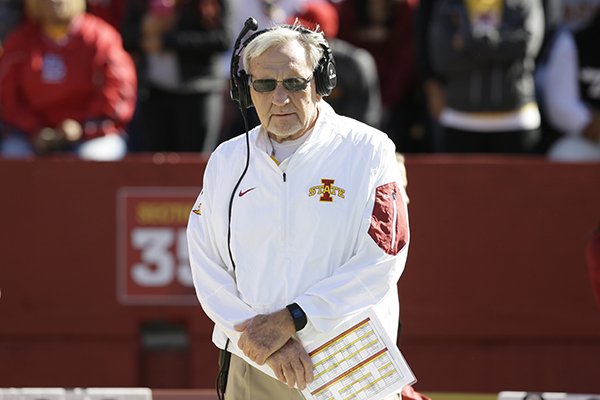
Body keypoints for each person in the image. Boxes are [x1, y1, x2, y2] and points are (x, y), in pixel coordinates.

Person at [187, 20, 410, 399]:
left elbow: (382, 260)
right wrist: (266, 341)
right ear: (246, 90)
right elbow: (207, 266)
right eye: (264, 84)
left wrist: (294, 319)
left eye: (294, 82)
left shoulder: (371, 150)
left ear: (320, 83)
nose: (280, 98)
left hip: (347, 366)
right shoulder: (226, 160)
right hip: (255, 362)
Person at [0, 0, 137, 160]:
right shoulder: (20, 42)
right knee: (13, 156)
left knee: (93, 159)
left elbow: (118, 93)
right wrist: (33, 129)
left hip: (91, 133)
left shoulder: (101, 38)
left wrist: (81, 127)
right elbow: (6, 97)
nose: (56, 1)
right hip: (31, 135)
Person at [427, 0, 545, 153]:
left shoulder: (525, 3)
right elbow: (443, 59)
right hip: (459, 120)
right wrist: (501, 49)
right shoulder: (448, 4)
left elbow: (527, 46)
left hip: (517, 120)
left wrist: (469, 43)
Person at [120, 0, 231, 153]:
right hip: (153, 93)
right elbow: (126, 36)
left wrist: (167, 41)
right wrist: (144, 30)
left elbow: (221, 39)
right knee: (156, 166)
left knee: (193, 165)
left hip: (197, 92)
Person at [290, 0, 383, 127]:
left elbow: (366, 120)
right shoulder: (289, 63)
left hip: (348, 140)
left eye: (306, 34)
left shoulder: (354, 64)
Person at [541, 8, 600, 161]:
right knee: (565, 153)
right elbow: (560, 104)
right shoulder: (577, 41)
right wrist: (586, 121)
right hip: (586, 140)